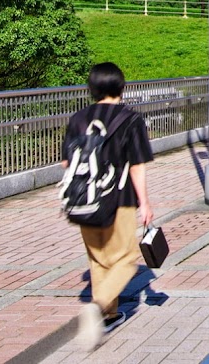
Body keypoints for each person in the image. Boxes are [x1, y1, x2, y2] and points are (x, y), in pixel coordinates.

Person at [64, 62, 154, 350]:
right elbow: (136, 166)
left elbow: (68, 163)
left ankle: (109, 314)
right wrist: (145, 202)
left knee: (99, 260)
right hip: (119, 200)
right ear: (121, 87)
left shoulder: (78, 119)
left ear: (92, 89)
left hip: (83, 200)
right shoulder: (130, 119)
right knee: (126, 259)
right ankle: (98, 306)